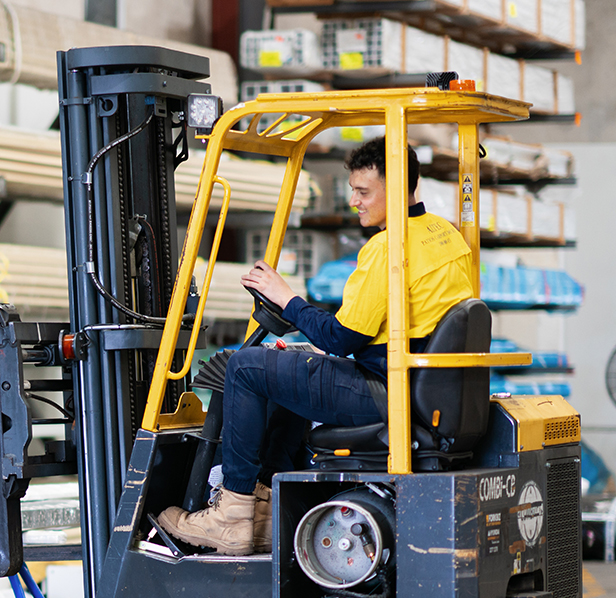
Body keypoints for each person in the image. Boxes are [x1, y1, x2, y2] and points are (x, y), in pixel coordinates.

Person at [157, 137, 476, 555]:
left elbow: (341, 338)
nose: (355, 202)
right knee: (292, 365)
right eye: (353, 191)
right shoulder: (445, 235)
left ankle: (231, 514)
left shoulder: (387, 248)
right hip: (416, 384)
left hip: (386, 392)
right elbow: (379, 326)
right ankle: (267, 510)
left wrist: (286, 297)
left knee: (246, 368)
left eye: (364, 192)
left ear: (397, 187)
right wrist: (312, 332)